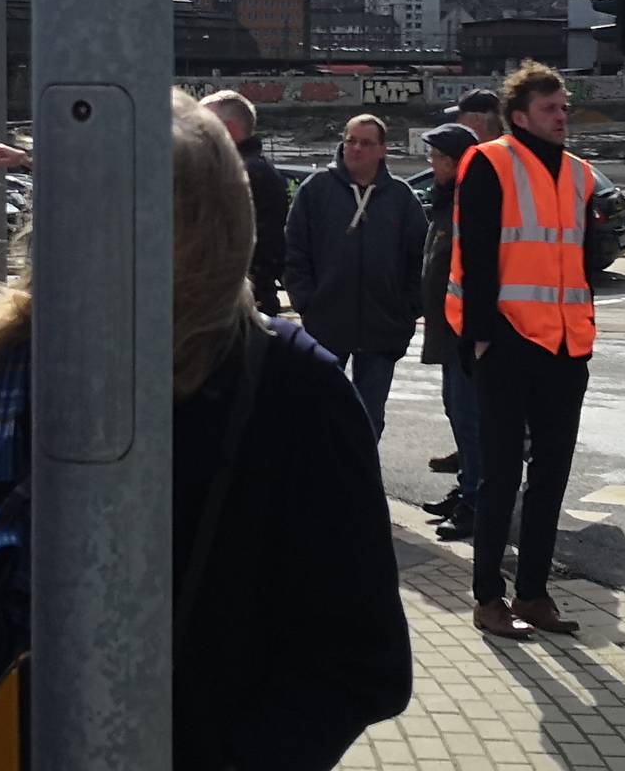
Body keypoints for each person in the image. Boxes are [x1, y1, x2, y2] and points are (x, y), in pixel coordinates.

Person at [0, 90, 411, 767]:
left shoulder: (291, 391)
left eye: (138, 214)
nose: (99, 236)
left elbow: (360, 660)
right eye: (80, 206)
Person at [452, 61, 601, 640]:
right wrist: (480, 335)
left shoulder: (582, 174)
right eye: (550, 108)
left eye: (564, 106)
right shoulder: (490, 162)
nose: (562, 116)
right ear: (519, 117)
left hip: (567, 344)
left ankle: (534, 594)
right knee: (500, 474)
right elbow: (477, 253)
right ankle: (489, 598)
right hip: (510, 340)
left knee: (552, 475)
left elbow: (583, 257)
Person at [284, 113, 429, 438]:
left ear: (382, 150)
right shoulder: (316, 190)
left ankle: (361, 484)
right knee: (321, 411)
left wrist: (407, 308)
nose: (356, 149)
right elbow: (295, 250)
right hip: (326, 324)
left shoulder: (400, 198)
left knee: (369, 417)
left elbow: (420, 258)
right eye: (351, 141)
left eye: (366, 143)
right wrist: (307, 301)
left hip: (383, 327)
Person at [415, 122, 486, 540]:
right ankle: (466, 488)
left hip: (464, 334)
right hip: (447, 333)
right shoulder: (446, 203)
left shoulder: (469, 204)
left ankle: (476, 500)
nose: (432, 164)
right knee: (456, 411)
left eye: (439, 158)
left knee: (469, 415)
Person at [204, 89, 292, 316]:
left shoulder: (237, 174)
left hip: (237, 303)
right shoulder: (260, 169)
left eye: (204, 127)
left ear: (229, 130)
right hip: (253, 296)